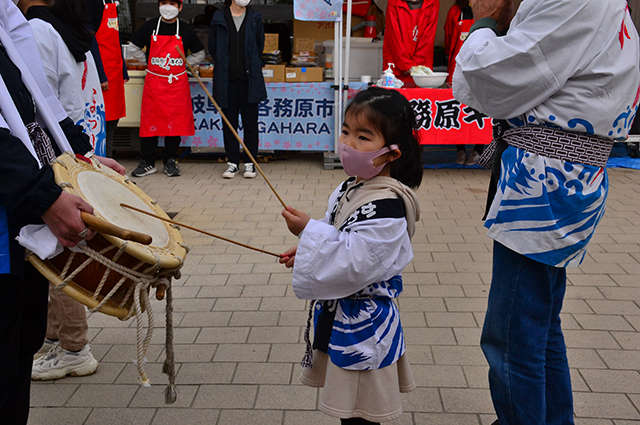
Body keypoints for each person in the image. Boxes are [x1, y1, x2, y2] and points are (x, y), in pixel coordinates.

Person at [452, 0, 640, 424]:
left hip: (545, 183)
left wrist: (484, 20)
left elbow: (494, 74)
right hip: (566, 177)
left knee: (512, 335)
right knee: (541, 327)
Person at [0, 0, 125, 422]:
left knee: (18, 349)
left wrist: (84, 157)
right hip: (11, 214)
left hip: (21, 222)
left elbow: (38, 105)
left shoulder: (10, 24)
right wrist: (42, 195)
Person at [279, 87, 422, 425]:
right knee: (351, 407)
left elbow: (357, 261)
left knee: (361, 410)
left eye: (363, 136)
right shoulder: (351, 187)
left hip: (364, 325)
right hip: (344, 316)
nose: (349, 143)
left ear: (391, 154)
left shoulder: (387, 205)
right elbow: (339, 236)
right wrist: (309, 249)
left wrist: (308, 233)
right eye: (346, 131)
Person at [19, 0, 107, 381]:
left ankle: (74, 345)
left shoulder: (37, 31)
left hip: (56, 155)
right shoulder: (72, 31)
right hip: (76, 145)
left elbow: (38, 104)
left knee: (59, 251)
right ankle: (58, 339)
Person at [128, 0, 205, 178]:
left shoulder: (185, 29)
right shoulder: (149, 26)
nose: (167, 7)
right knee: (150, 122)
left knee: (175, 123)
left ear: (180, 7)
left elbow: (199, 53)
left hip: (177, 84)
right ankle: (147, 162)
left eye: (172, 3)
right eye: (164, 2)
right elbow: (133, 47)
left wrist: (185, 65)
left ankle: (170, 161)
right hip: (155, 82)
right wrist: (148, 63)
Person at [20, 0, 107, 156]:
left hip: (64, 158)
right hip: (86, 148)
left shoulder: (36, 31)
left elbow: (41, 108)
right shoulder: (69, 29)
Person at [209, 0, 267, 179]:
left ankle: (250, 163)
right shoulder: (219, 18)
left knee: (250, 124)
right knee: (229, 124)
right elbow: (213, 47)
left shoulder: (255, 18)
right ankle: (232, 163)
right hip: (226, 81)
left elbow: (259, 45)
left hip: (250, 80)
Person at [443, 0, 484, 165]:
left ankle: (477, 150)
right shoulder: (455, 11)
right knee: (458, 110)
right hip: (456, 66)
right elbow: (448, 35)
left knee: (479, 110)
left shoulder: (488, 8)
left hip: (480, 66)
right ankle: (460, 150)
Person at [88, 0, 129, 158]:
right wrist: (100, 73)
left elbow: (116, 40)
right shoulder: (93, 5)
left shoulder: (111, 3)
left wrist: (123, 70)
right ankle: (103, 162)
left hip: (115, 72)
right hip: (101, 71)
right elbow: (91, 41)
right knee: (100, 123)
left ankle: (109, 161)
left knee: (112, 123)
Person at [382, 0, 439, 87]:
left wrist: (416, 67)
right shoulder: (393, 3)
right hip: (396, 67)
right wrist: (408, 66)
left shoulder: (432, 3)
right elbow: (394, 38)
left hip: (422, 69)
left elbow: (428, 38)